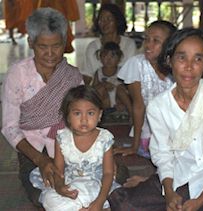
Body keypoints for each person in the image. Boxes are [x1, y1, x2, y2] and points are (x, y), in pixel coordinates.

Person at [108, 28, 203, 211]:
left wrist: (200, 201)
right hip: (177, 178)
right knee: (123, 203)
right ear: (169, 60)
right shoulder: (159, 106)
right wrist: (169, 192)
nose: (189, 66)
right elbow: (163, 155)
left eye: (198, 58)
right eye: (181, 57)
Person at [1, 7, 84, 209]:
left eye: (56, 46)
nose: (50, 54)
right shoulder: (17, 75)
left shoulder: (72, 76)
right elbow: (9, 127)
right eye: (42, 47)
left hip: (69, 149)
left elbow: (82, 121)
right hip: (33, 152)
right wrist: (41, 160)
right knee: (41, 193)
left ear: (64, 43)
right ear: (31, 43)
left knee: (98, 180)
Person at [30, 85, 120, 210]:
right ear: (68, 117)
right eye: (77, 113)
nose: (84, 119)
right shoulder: (62, 138)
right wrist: (60, 187)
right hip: (71, 183)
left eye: (90, 113)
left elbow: (108, 173)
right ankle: (82, 207)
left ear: (99, 115)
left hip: (97, 185)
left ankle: (84, 206)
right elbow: (59, 171)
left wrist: (100, 201)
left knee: (112, 196)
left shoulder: (104, 138)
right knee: (49, 198)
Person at [113, 20, 176, 159]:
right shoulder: (137, 64)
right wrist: (134, 146)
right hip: (150, 127)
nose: (148, 44)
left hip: (176, 126)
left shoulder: (178, 66)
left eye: (156, 41)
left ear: (170, 45)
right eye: (146, 39)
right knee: (153, 150)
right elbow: (138, 106)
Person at [83, 3, 137, 85]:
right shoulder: (92, 47)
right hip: (100, 91)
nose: (105, 23)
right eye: (101, 19)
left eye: (109, 19)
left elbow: (131, 75)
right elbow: (88, 74)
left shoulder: (129, 45)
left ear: (117, 21)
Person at [93, 41, 132, 118]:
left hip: (119, 101)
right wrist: (103, 85)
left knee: (120, 89)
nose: (109, 59)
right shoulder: (98, 72)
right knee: (99, 89)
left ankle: (131, 112)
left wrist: (121, 101)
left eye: (113, 56)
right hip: (106, 102)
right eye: (105, 56)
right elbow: (93, 89)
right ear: (100, 57)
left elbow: (129, 88)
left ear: (119, 59)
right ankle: (98, 112)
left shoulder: (121, 71)